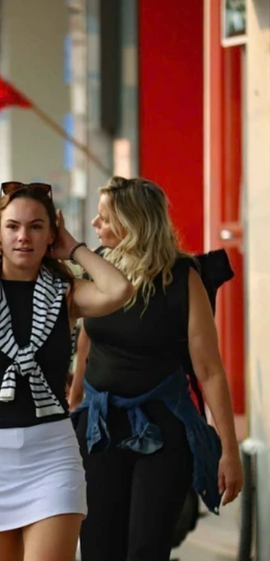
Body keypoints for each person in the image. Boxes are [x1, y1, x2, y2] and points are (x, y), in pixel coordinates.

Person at [0, 181, 133, 561]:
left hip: (51, 453)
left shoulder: (64, 290)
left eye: (37, 226)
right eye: (13, 227)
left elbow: (119, 290)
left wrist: (74, 249)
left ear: (50, 233)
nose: (24, 237)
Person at [67, 176, 243, 561]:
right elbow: (85, 341)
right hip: (100, 426)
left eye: (104, 219)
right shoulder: (99, 264)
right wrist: (74, 403)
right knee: (98, 545)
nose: (95, 227)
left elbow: (209, 369)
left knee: (147, 548)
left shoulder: (183, 277)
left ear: (133, 223)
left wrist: (229, 450)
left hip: (163, 428)